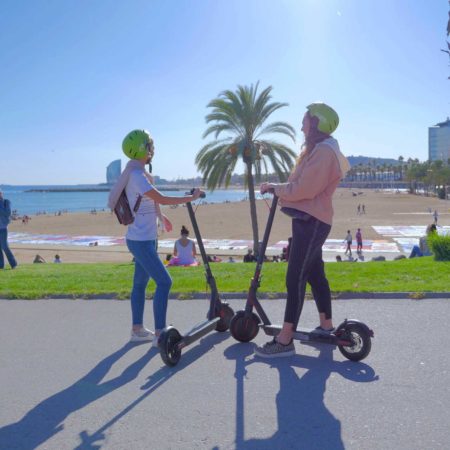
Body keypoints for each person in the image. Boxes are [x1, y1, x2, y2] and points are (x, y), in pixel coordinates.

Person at [257, 102, 350, 358]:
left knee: (295, 276)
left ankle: (285, 340)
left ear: (317, 123)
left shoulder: (323, 153)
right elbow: (301, 184)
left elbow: (302, 189)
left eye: (305, 121)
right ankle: (326, 325)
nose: (301, 126)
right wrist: (276, 185)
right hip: (311, 218)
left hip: (312, 221)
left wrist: (278, 189)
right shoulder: (321, 150)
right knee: (314, 274)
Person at [108, 129, 203, 346]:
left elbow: (147, 202)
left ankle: (137, 330)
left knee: (140, 284)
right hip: (141, 242)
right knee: (164, 281)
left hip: (144, 238)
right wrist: (191, 197)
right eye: (150, 145)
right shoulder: (137, 176)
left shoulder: (136, 174)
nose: (153, 149)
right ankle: (160, 334)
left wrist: (162, 217)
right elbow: (159, 196)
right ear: (144, 149)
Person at [0, 190, 17, 270]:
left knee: (5, 247)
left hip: (3, 228)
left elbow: (8, 213)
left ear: (1, 193)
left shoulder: (6, 202)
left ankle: (13, 263)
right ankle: (1, 265)